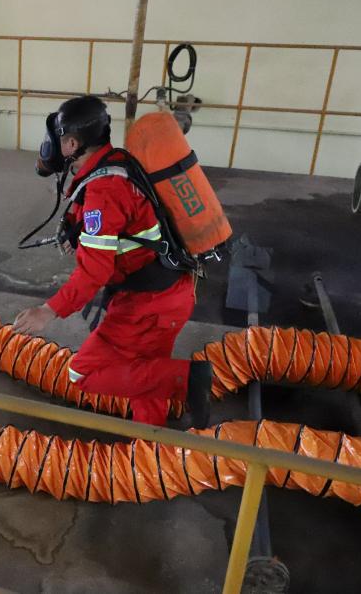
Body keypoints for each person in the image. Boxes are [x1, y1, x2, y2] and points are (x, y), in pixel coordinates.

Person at [12, 95, 212, 428]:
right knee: (144, 372)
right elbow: (115, 226)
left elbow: (95, 272)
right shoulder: (115, 162)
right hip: (168, 292)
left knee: (83, 373)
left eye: (59, 139)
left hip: (147, 305)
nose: (52, 146)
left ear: (72, 144)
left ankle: (188, 380)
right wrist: (76, 232)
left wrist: (47, 311)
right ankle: (152, 443)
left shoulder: (104, 190)